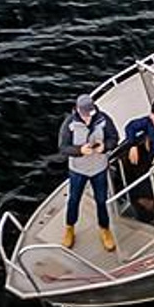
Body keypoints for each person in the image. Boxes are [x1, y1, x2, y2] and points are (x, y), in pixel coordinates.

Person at [57, 92, 118, 252]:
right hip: (78, 170)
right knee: (74, 200)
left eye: (90, 114)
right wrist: (80, 150)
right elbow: (63, 148)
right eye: (85, 114)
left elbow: (114, 138)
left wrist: (105, 146)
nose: (88, 118)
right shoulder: (69, 124)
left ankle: (104, 229)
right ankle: (69, 228)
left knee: (101, 200)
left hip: (99, 168)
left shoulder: (104, 119)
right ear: (78, 110)